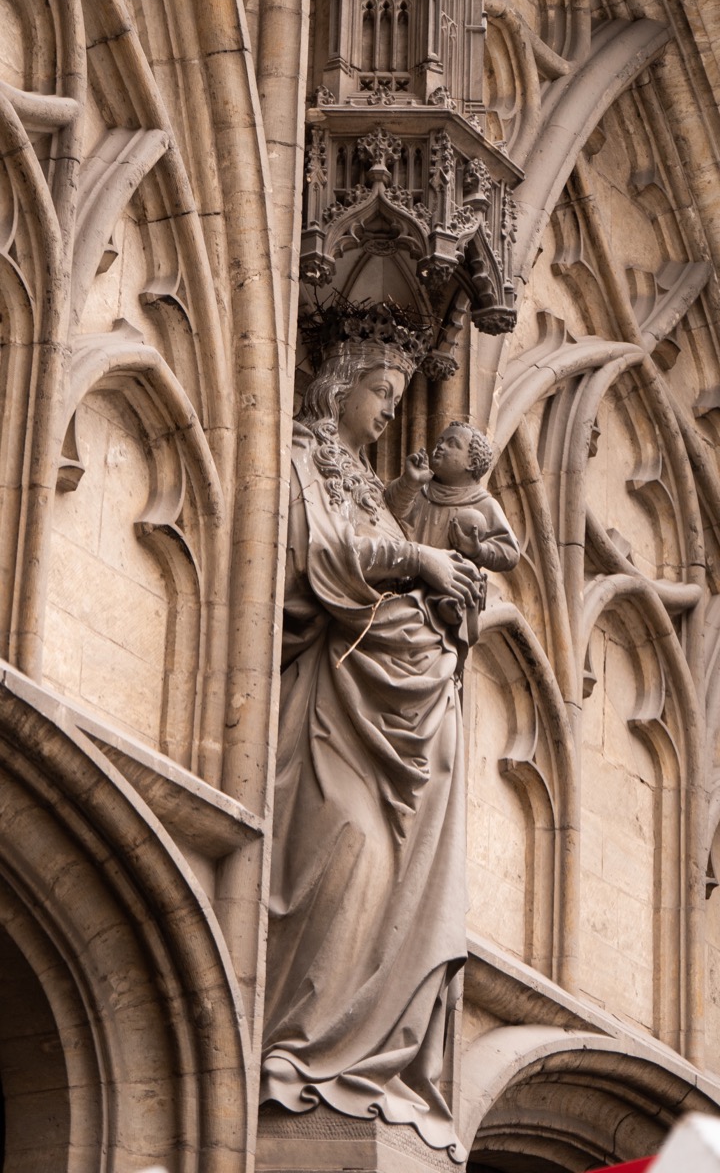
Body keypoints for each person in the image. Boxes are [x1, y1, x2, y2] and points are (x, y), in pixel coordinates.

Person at [260, 320, 483, 1163]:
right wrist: (414, 561)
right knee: (345, 847)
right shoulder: (299, 455)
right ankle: (303, 1048)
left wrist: (447, 590)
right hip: (335, 703)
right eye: (382, 393)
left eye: (397, 397)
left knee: (399, 881)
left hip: (403, 697)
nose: (391, 412)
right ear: (339, 384)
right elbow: (315, 556)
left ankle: (371, 1053)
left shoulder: (369, 480)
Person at [385, 421, 520, 633]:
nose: (440, 446)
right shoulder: (420, 489)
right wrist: (409, 482)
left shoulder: (483, 503)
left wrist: (478, 550)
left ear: (472, 463)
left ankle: (450, 605)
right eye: (439, 441)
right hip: (405, 577)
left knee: (462, 576)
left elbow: (510, 552)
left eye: (452, 443)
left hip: (449, 584)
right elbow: (387, 511)